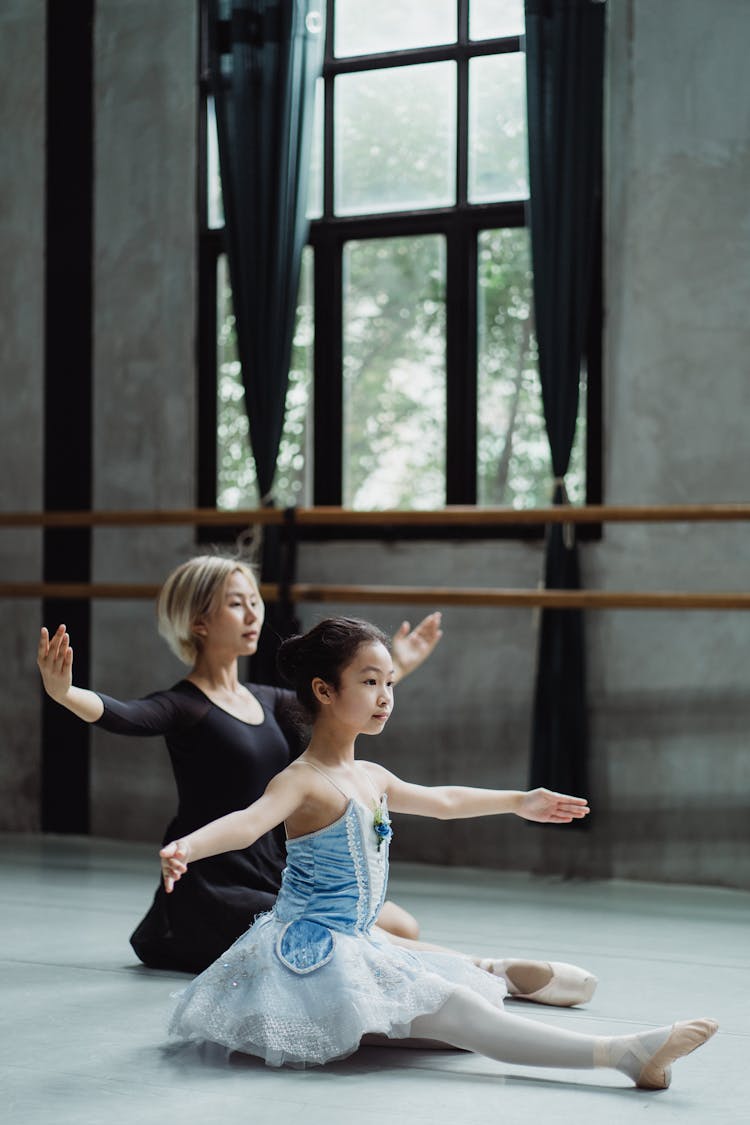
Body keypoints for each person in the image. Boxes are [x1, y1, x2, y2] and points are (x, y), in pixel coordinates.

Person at [159, 616, 717, 1085]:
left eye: (391, 683)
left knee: (454, 1016)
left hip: (359, 940)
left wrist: (519, 800)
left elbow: (445, 800)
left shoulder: (371, 774)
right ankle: (625, 1054)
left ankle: (496, 985)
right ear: (325, 691)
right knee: (465, 1015)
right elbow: (248, 822)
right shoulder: (301, 780)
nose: (385, 698)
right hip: (314, 957)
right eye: (370, 682)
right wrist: (188, 845)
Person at [38, 553, 595, 1005]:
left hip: (276, 875)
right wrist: (66, 694)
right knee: (353, 940)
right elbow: (125, 714)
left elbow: (339, 698)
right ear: (200, 621)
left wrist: (390, 663)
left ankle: (472, 973)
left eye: (255, 601)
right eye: (236, 604)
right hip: (212, 888)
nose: (253, 613)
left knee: (401, 924)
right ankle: (485, 972)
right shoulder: (185, 706)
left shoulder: (271, 701)